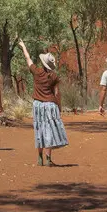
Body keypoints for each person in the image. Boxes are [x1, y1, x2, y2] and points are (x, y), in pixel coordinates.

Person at [18, 38, 68, 166]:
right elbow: (57, 93)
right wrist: (59, 106)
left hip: (38, 105)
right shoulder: (54, 76)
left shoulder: (36, 71)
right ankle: (48, 158)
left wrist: (23, 46)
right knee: (49, 130)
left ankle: (39, 157)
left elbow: (28, 59)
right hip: (50, 105)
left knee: (39, 129)